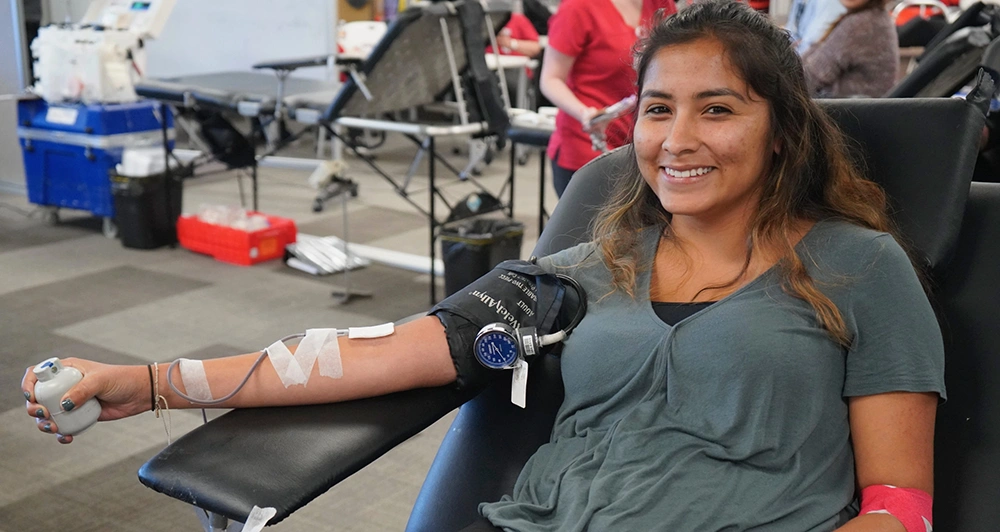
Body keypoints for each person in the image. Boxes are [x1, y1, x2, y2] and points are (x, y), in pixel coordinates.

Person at [23, 1, 943, 530]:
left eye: (718, 109)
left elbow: (897, 507)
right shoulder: (585, 269)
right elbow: (373, 352)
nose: (677, 140)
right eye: (658, 110)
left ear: (781, 131)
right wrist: (149, 382)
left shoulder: (858, 268)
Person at [540, 0, 677, 197]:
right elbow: (550, 79)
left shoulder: (661, 5)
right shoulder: (578, 7)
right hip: (589, 144)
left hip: (644, 146)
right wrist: (584, 113)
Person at [801, 0, 898, 97]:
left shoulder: (861, 24)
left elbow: (811, 78)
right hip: (859, 107)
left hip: (850, 109)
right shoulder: (875, 17)